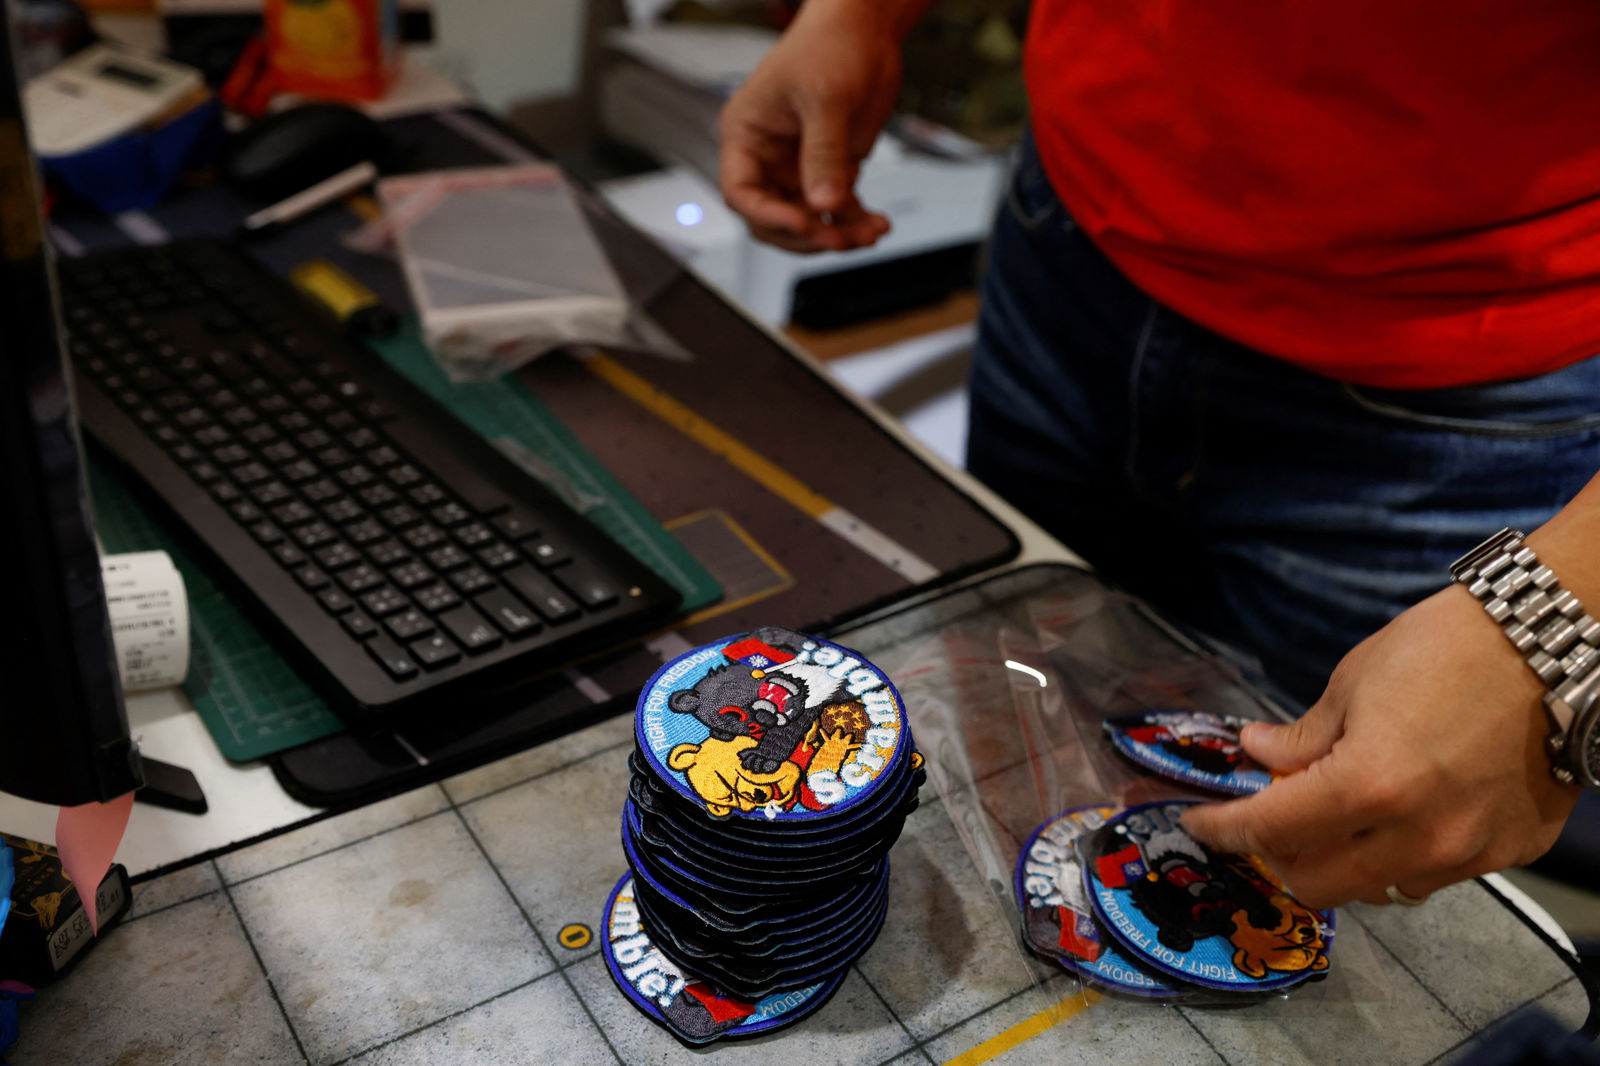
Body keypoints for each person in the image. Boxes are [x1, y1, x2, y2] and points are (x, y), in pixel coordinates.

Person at [717, 0, 1598, 910]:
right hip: (1074, 239)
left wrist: (1554, 616)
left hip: (1471, 379)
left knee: (1335, 879)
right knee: (988, 759)